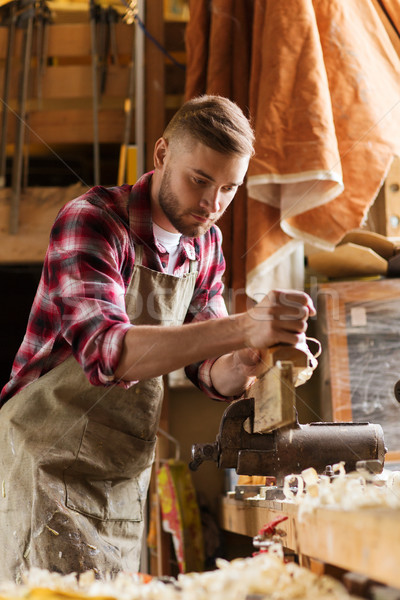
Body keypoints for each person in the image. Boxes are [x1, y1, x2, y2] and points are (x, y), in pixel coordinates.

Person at [0, 95, 315, 582]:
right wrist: (246, 324)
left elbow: (210, 369)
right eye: (200, 180)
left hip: (120, 477)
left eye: (230, 188)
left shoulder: (205, 244)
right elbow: (109, 354)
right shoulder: (95, 220)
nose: (212, 205)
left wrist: (247, 361)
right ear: (162, 154)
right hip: (44, 463)